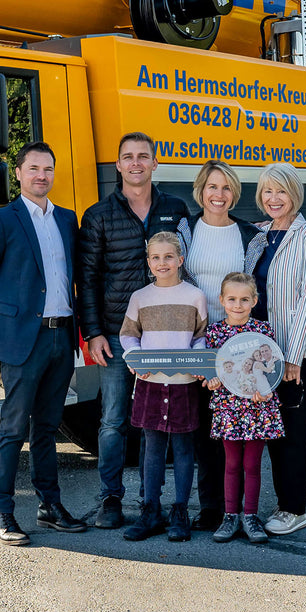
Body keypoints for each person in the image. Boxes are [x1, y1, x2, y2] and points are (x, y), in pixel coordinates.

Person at [0, 141, 88, 545]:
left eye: (48, 169)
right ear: (18, 173)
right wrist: (7, 323)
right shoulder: (2, 221)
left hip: (60, 336)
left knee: (49, 429)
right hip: (22, 343)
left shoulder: (68, 221)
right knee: (13, 429)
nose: (41, 175)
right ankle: (2, 512)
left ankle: (49, 507)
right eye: (33, 168)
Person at [76, 131, 194, 529]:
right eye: (128, 157)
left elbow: (187, 265)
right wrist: (92, 331)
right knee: (113, 420)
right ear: (118, 165)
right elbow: (87, 277)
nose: (136, 163)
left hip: (168, 337)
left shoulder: (175, 209)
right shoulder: (99, 215)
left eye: (144, 156)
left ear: (155, 163)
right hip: (115, 333)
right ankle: (111, 501)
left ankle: (151, 504)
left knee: (157, 423)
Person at [243, 161, 306, 537]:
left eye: (281, 191)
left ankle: (294, 508)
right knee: (269, 428)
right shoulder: (258, 235)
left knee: (292, 428)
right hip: (259, 351)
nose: (274, 199)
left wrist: (292, 355)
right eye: (267, 192)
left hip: (292, 352)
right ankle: (277, 502)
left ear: (295, 194)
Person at [180, 160, 259, 533]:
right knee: (205, 427)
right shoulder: (185, 230)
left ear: (234, 194)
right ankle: (212, 507)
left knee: (237, 428)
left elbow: (255, 287)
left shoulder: (247, 235)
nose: (219, 194)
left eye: (226, 187)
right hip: (198, 339)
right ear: (201, 190)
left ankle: (244, 509)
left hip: (237, 342)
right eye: (212, 186)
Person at [117, 232, 208, 543]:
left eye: (168, 257)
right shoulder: (140, 298)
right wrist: (134, 357)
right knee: (153, 448)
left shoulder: (194, 296)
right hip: (150, 383)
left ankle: (180, 511)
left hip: (183, 383)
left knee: (183, 449)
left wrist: (198, 361)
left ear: (180, 260)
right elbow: (128, 335)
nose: (162, 263)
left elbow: (200, 337)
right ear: (148, 263)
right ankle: (151, 510)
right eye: (155, 258)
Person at [203, 271, 283, 544]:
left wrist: (267, 389)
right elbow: (212, 372)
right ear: (222, 300)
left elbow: (272, 369)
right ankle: (230, 515)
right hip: (229, 408)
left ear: (255, 301)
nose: (238, 305)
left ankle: (250, 515)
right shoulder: (214, 333)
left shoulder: (263, 331)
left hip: (258, 408)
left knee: (252, 464)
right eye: (232, 299)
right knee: (232, 463)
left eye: (244, 299)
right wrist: (211, 382)